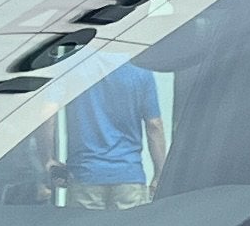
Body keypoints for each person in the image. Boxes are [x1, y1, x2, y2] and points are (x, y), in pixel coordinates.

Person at [52, 49, 165, 207]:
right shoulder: (140, 68)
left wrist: (47, 159)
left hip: (84, 175)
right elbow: (154, 125)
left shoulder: (70, 65)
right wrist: (160, 173)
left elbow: (47, 112)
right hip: (129, 176)